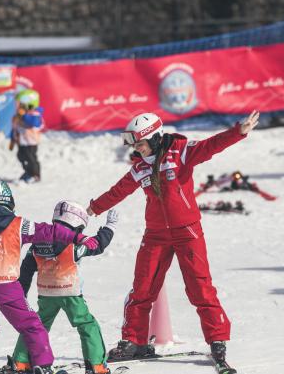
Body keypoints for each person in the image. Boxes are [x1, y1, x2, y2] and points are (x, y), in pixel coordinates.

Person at [86, 110, 260, 373]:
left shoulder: (180, 152)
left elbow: (209, 146)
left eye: (140, 143)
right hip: (156, 233)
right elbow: (118, 190)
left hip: (187, 231)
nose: (137, 149)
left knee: (199, 287)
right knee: (142, 287)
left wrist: (238, 132)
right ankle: (135, 341)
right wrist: (91, 209)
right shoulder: (140, 166)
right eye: (134, 145)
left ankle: (217, 340)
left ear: (155, 138)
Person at [0, 180, 100, 374]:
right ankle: (44, 367)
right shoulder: (19, 225)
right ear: (9, 199)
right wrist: (79, 238)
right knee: (32, 326)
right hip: (6, 285)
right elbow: (51, 231)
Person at [6, 201, 116, 374]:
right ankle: (96, 365)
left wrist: (21, 294)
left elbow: (26, 269)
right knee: (87, 324)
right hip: (70, 292)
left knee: (36, 325)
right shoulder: (75, 245)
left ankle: (21, 361)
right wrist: (109, 227)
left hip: (46, 292)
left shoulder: (37, 243)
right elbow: (98, 245)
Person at [11, 89, 43, 183]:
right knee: (21, 156)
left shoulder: (35, 114)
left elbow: (34, 123)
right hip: (22, 141)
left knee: (31, 158)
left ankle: (35, 174)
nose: (18, 107)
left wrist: (24, 116)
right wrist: (13, 139)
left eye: (20, 104)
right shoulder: (18, 115)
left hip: (31, 142)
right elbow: (15, 127)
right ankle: (28, 172)